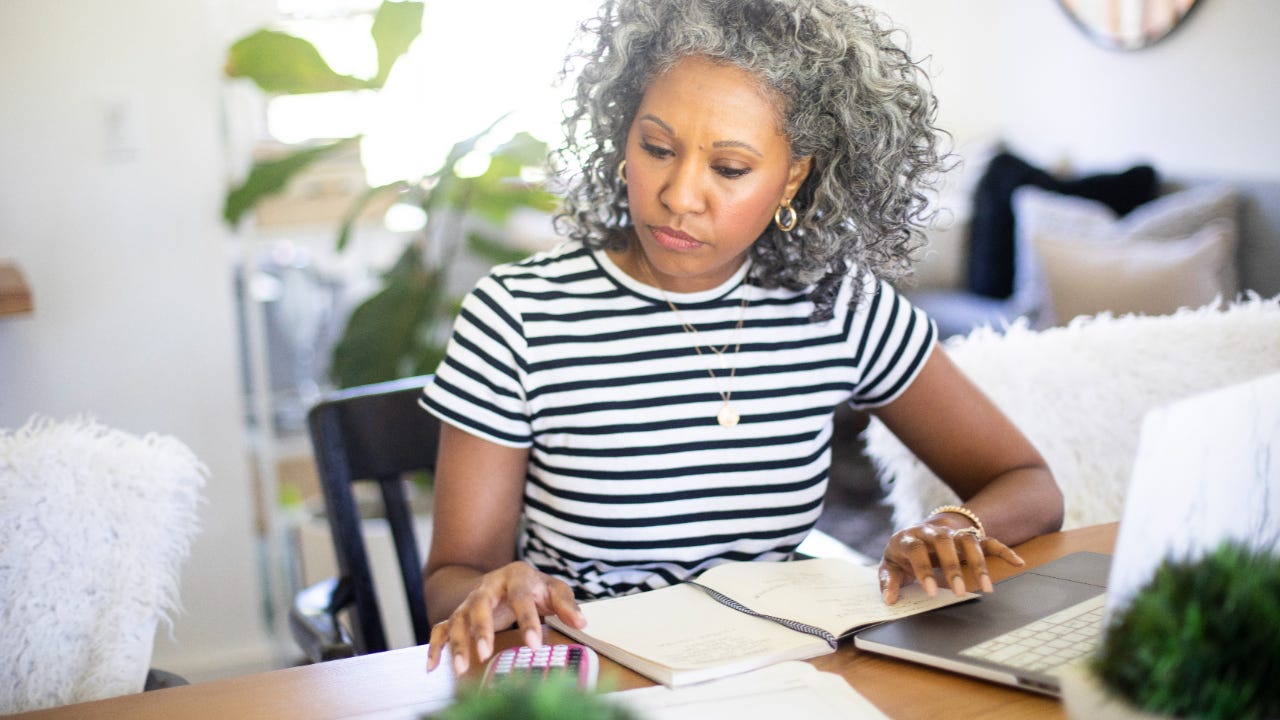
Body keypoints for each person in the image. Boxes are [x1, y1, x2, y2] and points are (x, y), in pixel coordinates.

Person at [422, 0, 1063, 675]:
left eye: (728, 168)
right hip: (596, 680)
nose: (679, 194)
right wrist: (491, 589)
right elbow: (453, 573)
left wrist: (955, 527)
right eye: (657, 148)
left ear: (793, 176)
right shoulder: (519, 314)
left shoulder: (837, 305)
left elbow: (1028, 484)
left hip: (779, 673)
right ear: (621, 139)